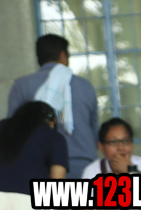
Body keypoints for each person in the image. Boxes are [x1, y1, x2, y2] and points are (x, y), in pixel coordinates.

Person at [7, 34, 99, 180]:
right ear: (63, 55)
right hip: (83, 166)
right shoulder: (85, 86)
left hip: (39, 166)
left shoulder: (21, 86)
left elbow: (12, 132)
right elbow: (94, 131)